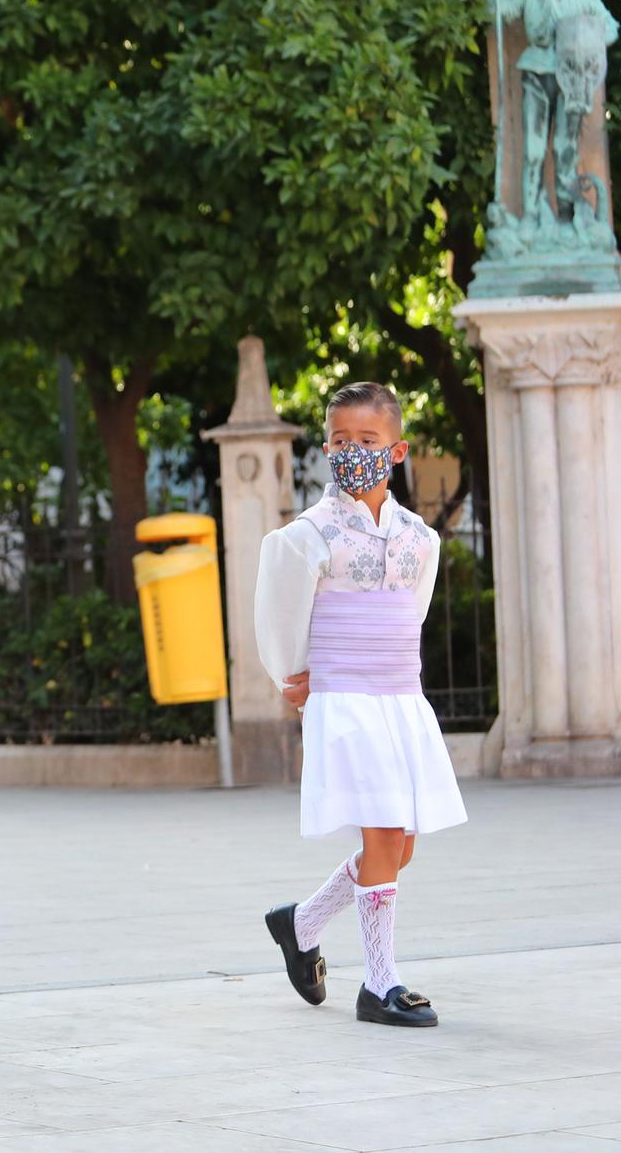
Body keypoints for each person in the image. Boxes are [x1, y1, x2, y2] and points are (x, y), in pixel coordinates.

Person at [259, 382, 466, 1028]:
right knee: (380, 830)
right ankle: (380, 982)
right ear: (327, 447)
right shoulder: (312, 533)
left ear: (396, 450)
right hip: (345, 696)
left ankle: (301, 923)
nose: (353, 453)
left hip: (400, 696)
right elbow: (283, 606)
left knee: (398, 846)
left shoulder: (416, 537)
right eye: (341, 441)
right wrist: (292, 672)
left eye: (368, 441)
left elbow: (415, 608)